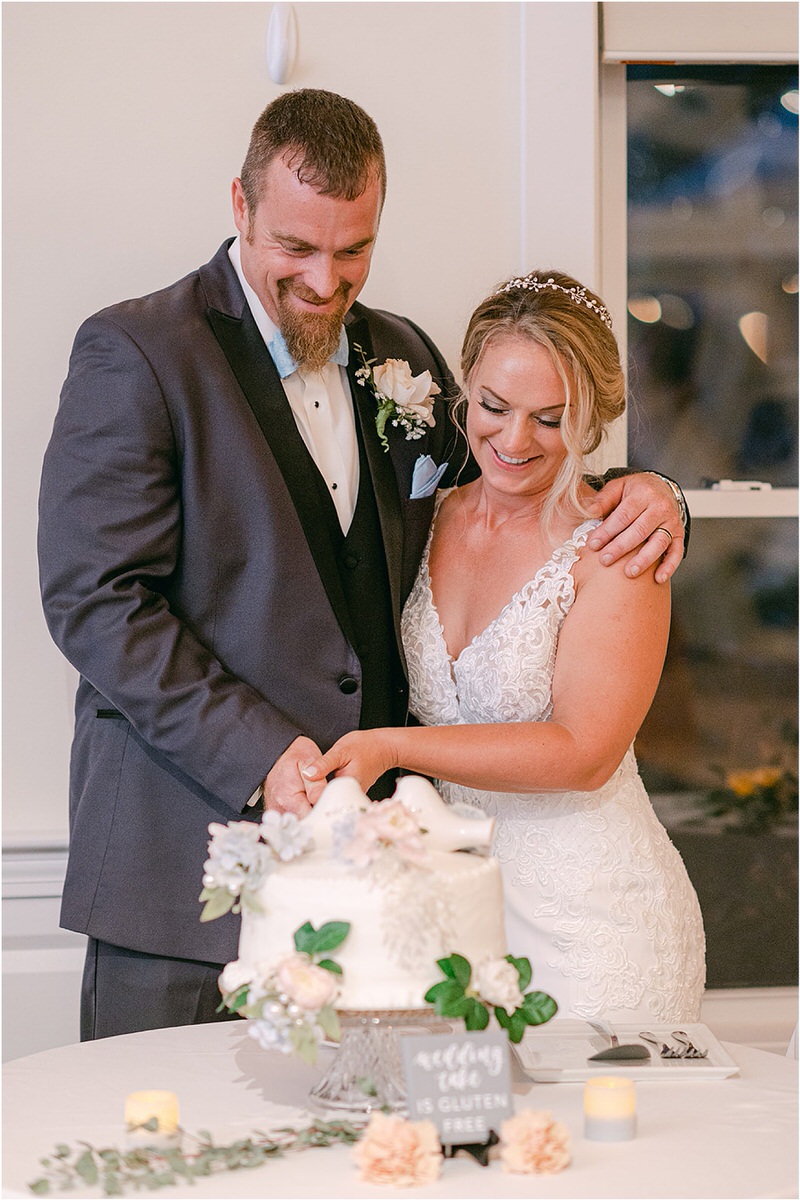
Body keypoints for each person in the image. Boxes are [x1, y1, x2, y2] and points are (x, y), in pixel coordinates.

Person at [38, 89, 687, 1040]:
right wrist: (258, 752)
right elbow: (96, 602)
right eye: (296, 247)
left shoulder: (401, 353)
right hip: (180, 874)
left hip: (384, 899)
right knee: (158, 1129)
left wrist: (653, 492)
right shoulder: (139, 351)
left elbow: (517, 490)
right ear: (240, 205)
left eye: (353, 250)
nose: (324, 279)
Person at [306, 270, 706, 1022]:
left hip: (593, 929)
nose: (515, 441)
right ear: (465, 390)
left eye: (550, 419)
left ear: (592, 421)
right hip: (450, 924)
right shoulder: (422, 515)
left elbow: (584, 754)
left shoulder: (617, 549)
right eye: (493, 407)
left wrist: (389, 747)